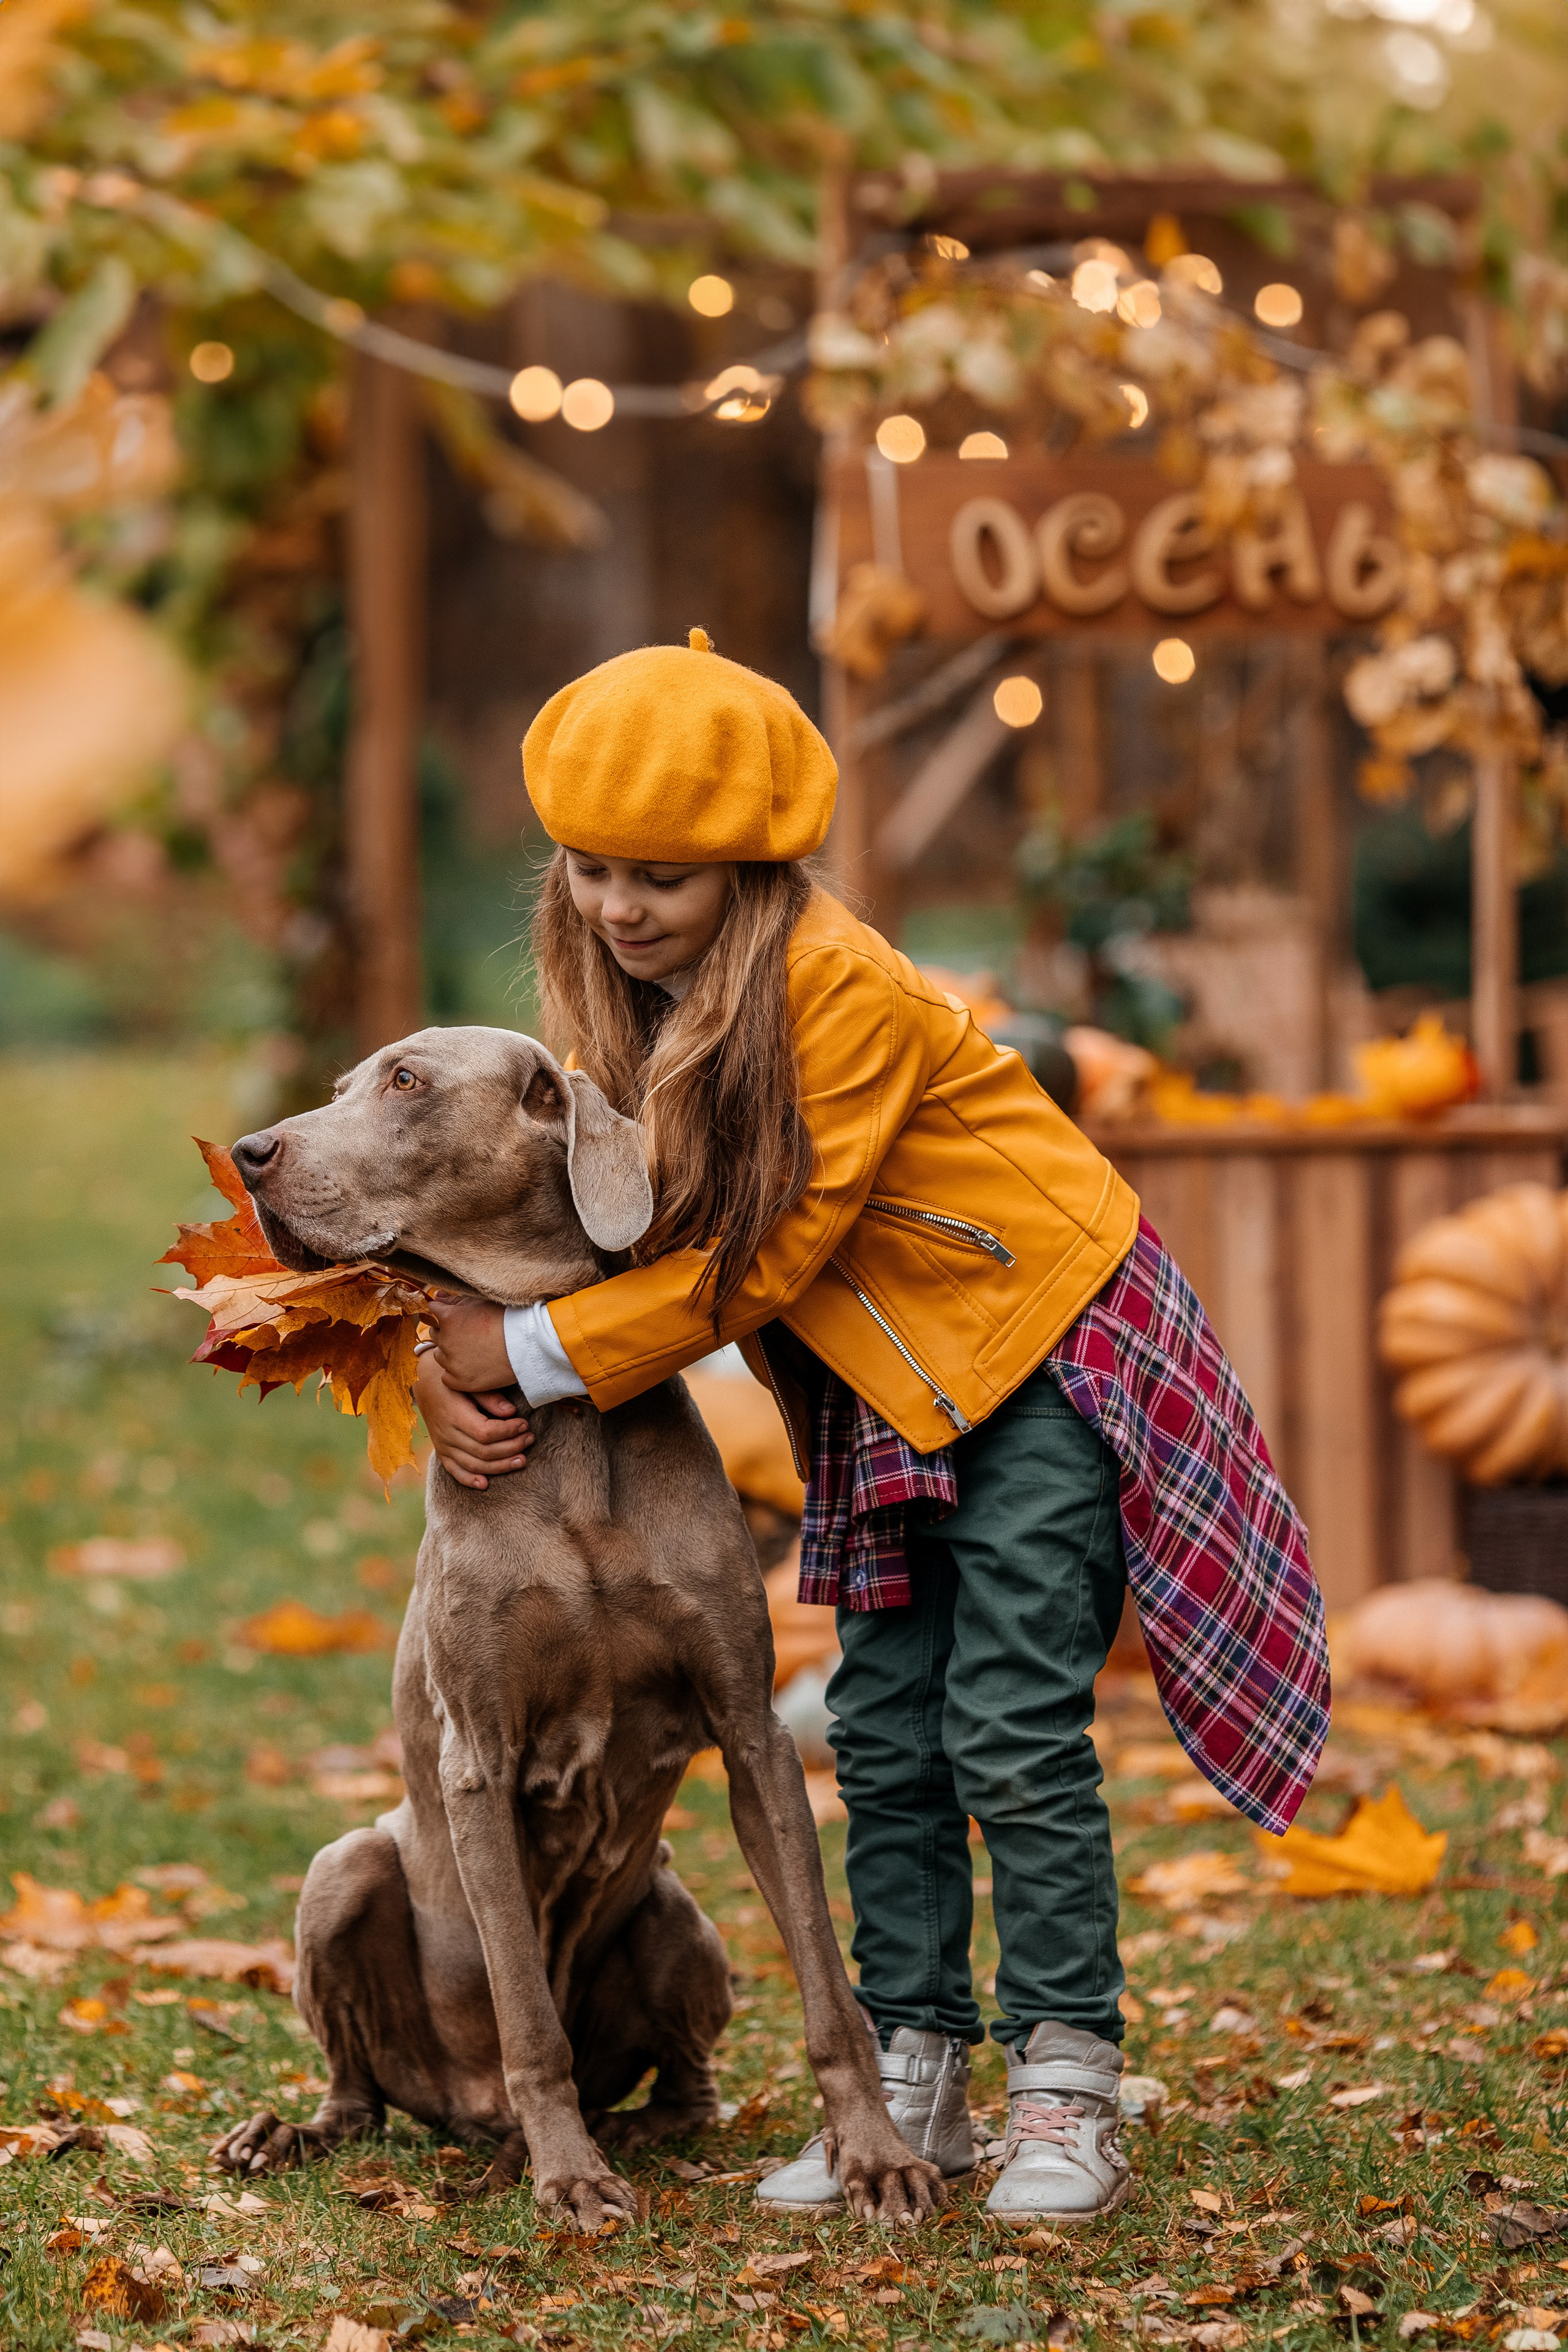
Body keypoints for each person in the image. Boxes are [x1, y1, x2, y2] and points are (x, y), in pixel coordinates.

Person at [415, 628, 1330, 2227]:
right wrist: (443, 1355)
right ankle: (914, 2066)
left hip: (1036, 1355)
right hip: (881, 1402)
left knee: (1014, 1726)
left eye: (665, 879)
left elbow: (762, 1256)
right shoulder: (635, 1004)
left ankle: (1067, 2076)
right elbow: (609, 1230)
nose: (622, 908)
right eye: (592, 872)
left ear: (754, 872)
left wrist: (530, 1352)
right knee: (888, 1737)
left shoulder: (837, 988)